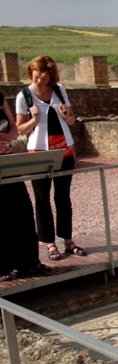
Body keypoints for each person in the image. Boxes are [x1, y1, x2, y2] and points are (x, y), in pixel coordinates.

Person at [15, 55, 86, 261]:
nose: (41, 82)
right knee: (42, 199)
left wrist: (67, 116)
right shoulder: (24, 96)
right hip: (39, 152)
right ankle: (49, 242)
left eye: (45, 78)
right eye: (37, 77)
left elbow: (71, 120)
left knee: (63, 197)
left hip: (64, 150)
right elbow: (19, 128)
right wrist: (34, 120)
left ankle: (67, 240)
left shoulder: (59, 90)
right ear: (31, 73)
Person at [0, 91, 49, 281]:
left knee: (22, 210)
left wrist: (8, 139)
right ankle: (3, 266)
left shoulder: (0, 96)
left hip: (7, 160)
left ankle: (28, 262)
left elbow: (14, 127)